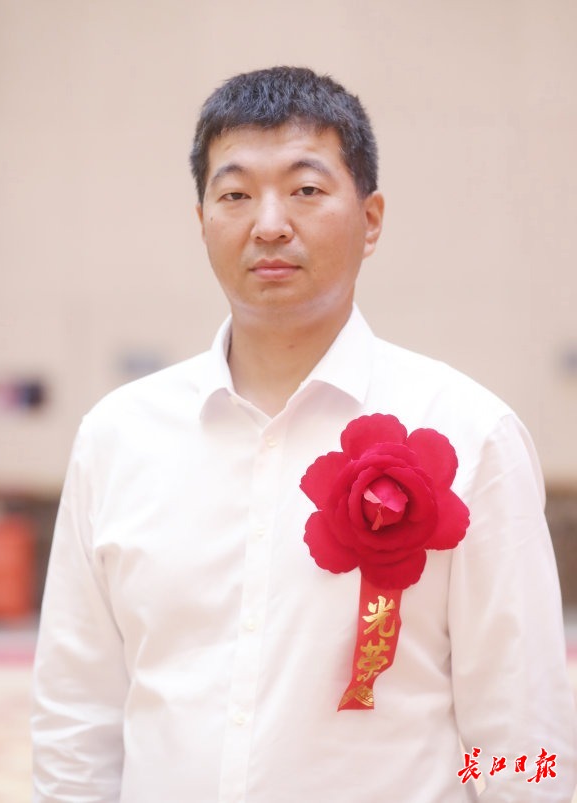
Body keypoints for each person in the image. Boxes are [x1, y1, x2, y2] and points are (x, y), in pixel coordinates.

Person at [32, 66, 576, 802]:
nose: (268, 224)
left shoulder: (471, 434)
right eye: (234, 195)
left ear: (371, 219)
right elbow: (77, 717)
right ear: (202, 221)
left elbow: (521, 736)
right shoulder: (117, 438)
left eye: (306, 189)